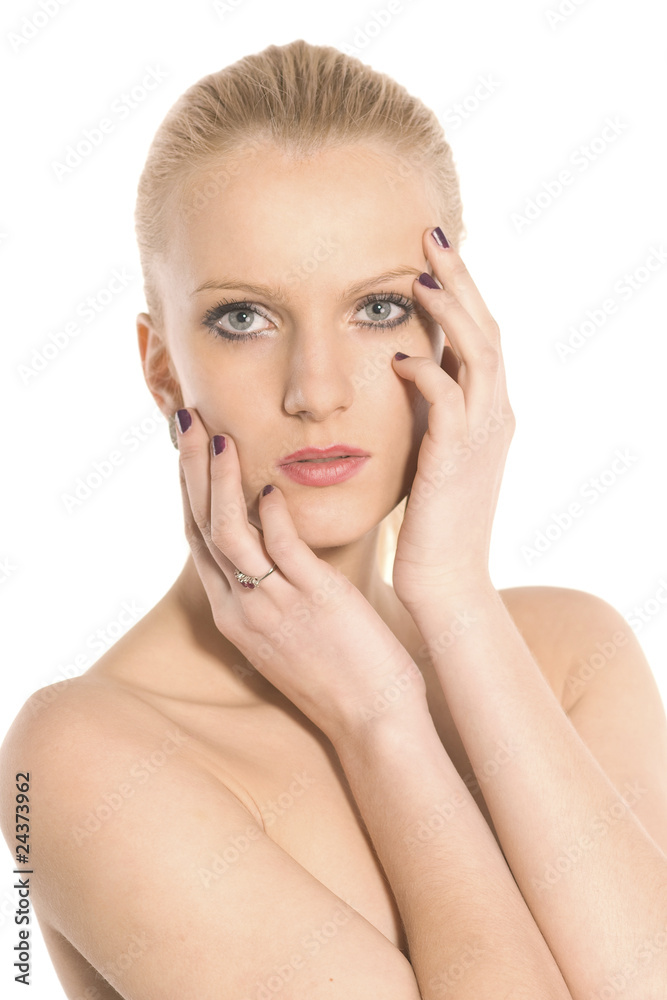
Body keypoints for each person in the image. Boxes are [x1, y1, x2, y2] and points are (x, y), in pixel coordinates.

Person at [2, 38, 667, 1000]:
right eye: (244, 318)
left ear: (454, 336)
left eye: (380, 308)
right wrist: (378, 720)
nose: (317, 391)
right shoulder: (77, 761)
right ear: (160, 370)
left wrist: (453, 596)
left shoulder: (569, 655)